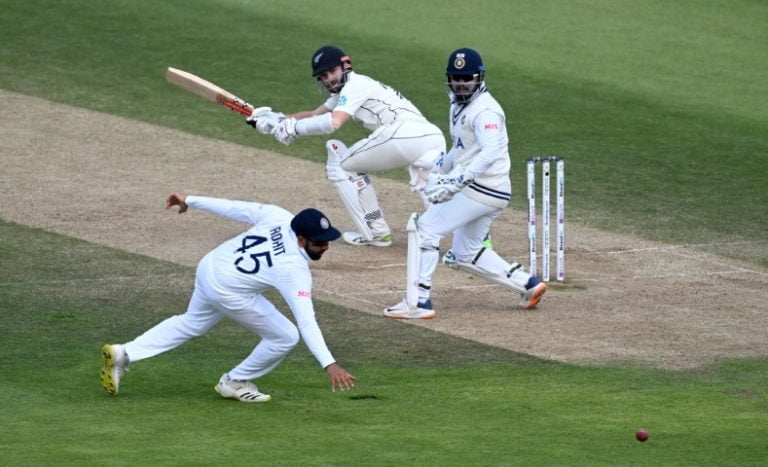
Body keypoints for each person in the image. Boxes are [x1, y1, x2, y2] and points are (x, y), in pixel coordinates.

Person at [100, 192, 356, 402]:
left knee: (192, 322)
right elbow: (306, 321)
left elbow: (234, 207)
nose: (326, 246)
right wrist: (329, 363)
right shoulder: (293, 270)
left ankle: (124, 353)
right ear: (301, 239)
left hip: (210, 266)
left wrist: (190, 200)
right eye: (320, 242)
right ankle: (234, 381)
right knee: (285, 336)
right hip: (227, 288)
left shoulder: (279, 215)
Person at [383, 48, 547, 319]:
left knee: (425, 228)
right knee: (464, 255)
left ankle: (418, 301)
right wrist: (435, 167)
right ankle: (527, 284)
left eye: (467, 79)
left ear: (479, 78)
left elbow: (490, 151)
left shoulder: (486, 111)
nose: (461, 84)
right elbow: (461, 151)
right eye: (456, 78)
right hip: (488, 190)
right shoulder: (458, 105)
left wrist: (457, 180)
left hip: (484, 188)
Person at [246, 45, 445, 247]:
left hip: (405, 134)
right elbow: (314, 116)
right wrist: (276, 120)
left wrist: (294, 128)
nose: (329, 79)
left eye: (332, 71)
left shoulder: (356, 85)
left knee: (343, 164)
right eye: (323, 76)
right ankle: (466, 248)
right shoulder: (348, 91)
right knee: (441, 197)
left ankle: (376, 232)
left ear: (346, 65)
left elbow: (334, 122)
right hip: (432, 137)